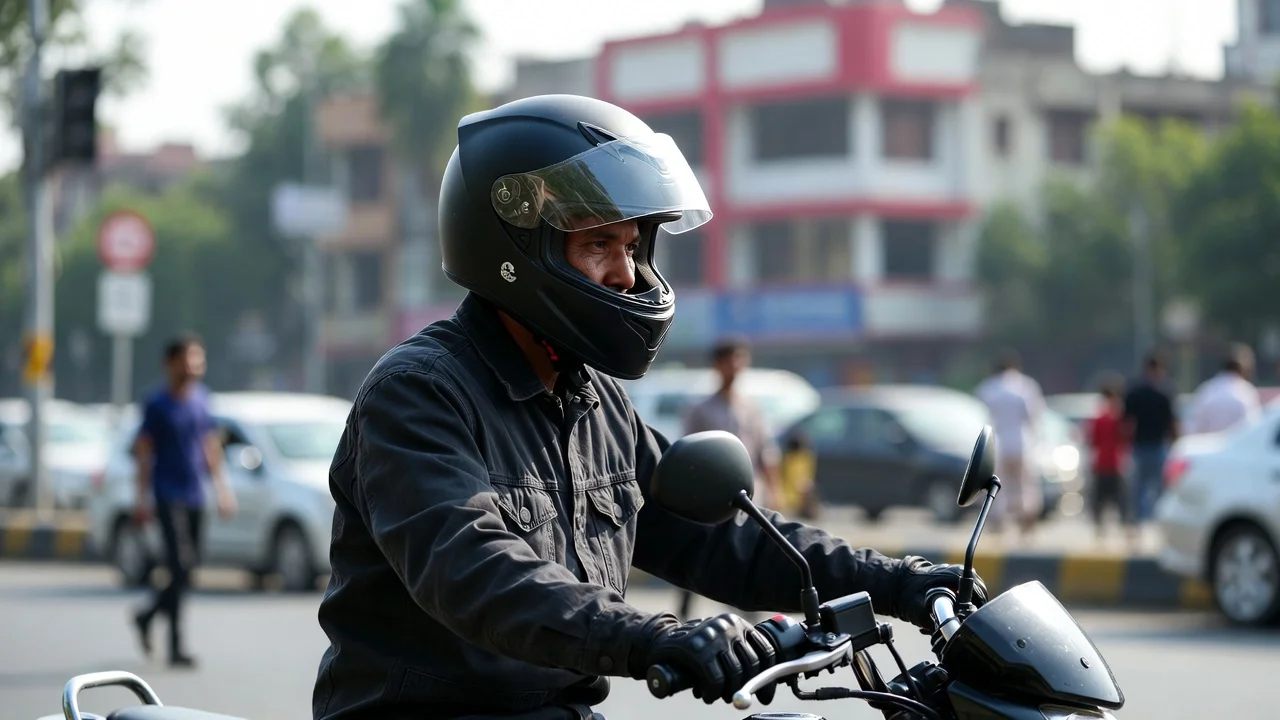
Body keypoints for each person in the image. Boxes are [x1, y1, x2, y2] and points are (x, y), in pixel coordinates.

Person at [311, 94, 986, 720]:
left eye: (631, 246)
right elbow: (470, 568)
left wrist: (898, 581)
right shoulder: (419, 394)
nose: (627, 274)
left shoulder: (595, 403)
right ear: (514, 250)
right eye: (597, 245)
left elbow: (719, 537)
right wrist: (654, 636)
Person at [130, 335, 237, 668]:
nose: (194, 366)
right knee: (179, 565)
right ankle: (176, 646)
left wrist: (222, 490)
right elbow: (144, 452)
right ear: (171, 363)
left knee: (188, 570)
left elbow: (210, 446)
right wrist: (141, 499)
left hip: (195, 494)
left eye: (198, 360)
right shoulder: (157, 404)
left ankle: (148, 615)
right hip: (167, 494)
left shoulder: (201, 400)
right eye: (189, 359)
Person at [675, 337, 783, 620]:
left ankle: (746, 616)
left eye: (740, 359)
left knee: (746, 554)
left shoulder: (751, 408)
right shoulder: (700, 409)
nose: (735, 366)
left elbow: (765, 452)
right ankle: (685, 612)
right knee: (700, 553)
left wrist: (775, 490)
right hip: (711, 497)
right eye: (729, 360)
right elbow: (688, 452)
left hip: (749, 498)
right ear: (717, 365)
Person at [974, 348, 1045, 539]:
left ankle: (997, 521)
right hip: (1022, 441)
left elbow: (982, 413)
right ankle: (1027, 518)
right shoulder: (1026, 386)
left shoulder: (989, 386)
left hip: (998, 441)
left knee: (997, 483)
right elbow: (1033, 416)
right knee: (1024, 483)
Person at [1122, 353, 1178, 526]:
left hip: (1147, 446)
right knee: (1151, 488)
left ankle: (1146, 522)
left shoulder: (1136, 391)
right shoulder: (1163, 392)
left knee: (1144, 488)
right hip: (1150, 446)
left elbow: (1125, 422)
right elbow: (1173, 424)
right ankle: (1151, 523)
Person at [1085, 377, 1135, 547]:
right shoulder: (1118, 417)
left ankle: (1101, 532)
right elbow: (1126, 438)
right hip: (1116, 463)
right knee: (1120, 501)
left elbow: (1092, 440)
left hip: (1101, 463)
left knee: (1100, 500)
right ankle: (1127, 531)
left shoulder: (1099, 416)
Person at [1188, 343, 1263, 436]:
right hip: (1238, 444)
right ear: (1244, 367)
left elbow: (1194, 428)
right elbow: (1254, 428)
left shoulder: (1206, 390)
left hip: (1210, 444)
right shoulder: (1247, 392)